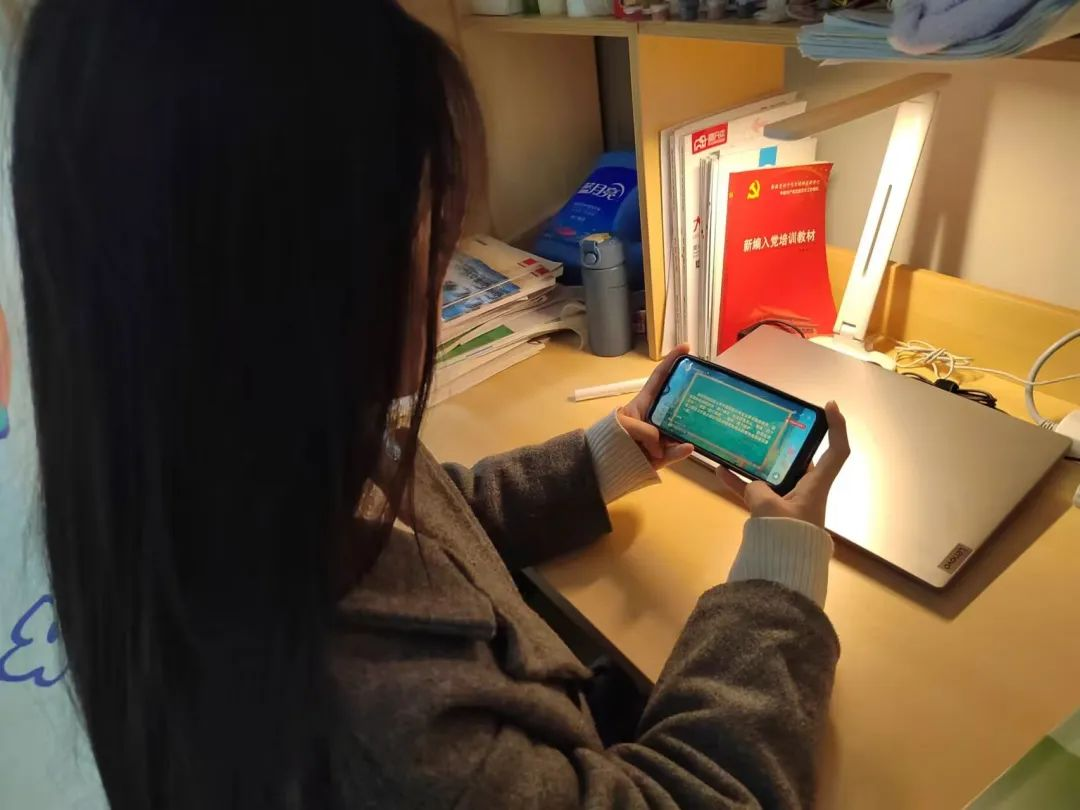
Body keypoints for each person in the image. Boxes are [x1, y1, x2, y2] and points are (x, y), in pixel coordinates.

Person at [11, 1, 850, 809]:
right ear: (304, 286)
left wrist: (604, 458)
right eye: (426, 237)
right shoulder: (399, 734)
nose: (437, 276)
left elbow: (427, 524)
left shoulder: (188, 473)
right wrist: (779, 571)